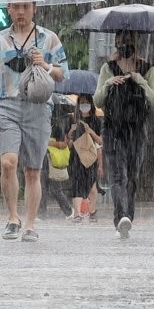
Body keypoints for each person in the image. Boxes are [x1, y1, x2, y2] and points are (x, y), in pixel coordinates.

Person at [0, 0, 67, 242]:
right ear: (8, 9)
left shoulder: (49, 38)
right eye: (15, 7)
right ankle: (12, 217)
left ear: (34, 9)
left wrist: (46, 65)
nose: (21, 12)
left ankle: (30, 224)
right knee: (8, 163)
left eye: (26, 7)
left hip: (38, 107)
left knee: (33, 170)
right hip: (7, 106)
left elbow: (64, 74)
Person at [92, 30, 154, 239]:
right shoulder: (108, 68)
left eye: (127, 42)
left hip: (137, 129)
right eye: (120, 42)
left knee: (132, 176)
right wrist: (108, 83)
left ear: (135, 43)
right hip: (113, 128)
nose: (123, 46)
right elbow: (97, 100)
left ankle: (127, 218)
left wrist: (140, 80)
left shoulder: (148, 69)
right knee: (118, 175)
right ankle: (120, 216)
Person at [67, 94, 104, 223]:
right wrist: (71, 132)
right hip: (76, 159)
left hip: (91, 158)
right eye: (81, 102)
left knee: (92, 187)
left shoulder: (96, 121)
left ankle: (92, 212)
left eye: (86, 102)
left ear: (91, 104)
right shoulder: (73, 119)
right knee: (76, 186)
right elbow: (68, 144)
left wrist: (90, 132)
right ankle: (77, 213)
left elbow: (99, 142)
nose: (84, 105)